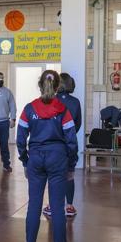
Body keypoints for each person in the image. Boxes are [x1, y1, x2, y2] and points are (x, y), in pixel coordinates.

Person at [17, 70, 78, 242]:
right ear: (58, 85)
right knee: (57, 207)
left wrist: (25, 161)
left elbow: (20, 139)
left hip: (36, 158)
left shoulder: (29, 109)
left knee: (34, 205)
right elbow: (71, 140)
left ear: (40, 84)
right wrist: (71, 164)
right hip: (57, 159)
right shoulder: (63, 109)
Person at [43, 73, 81, 217]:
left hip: (54, 143)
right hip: (70, 142)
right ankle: (69, 206)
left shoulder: (51, 100)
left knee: (54, 175)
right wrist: (68, 135)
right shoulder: (75, 102)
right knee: (69, 174)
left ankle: (52, 205)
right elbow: (78, 124)